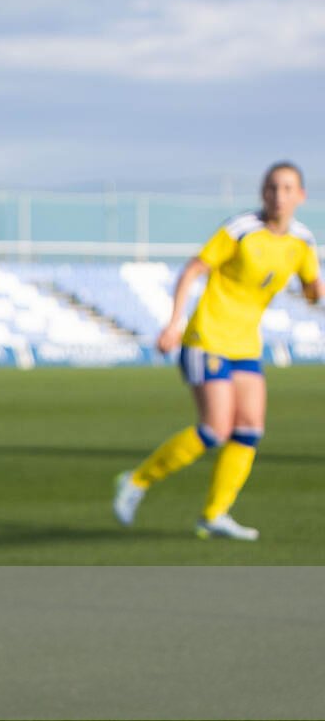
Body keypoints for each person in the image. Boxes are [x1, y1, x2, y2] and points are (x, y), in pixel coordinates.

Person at [115, 163, 316, 539]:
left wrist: (315, 291)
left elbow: (311, 289)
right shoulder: (241, 230)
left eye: (287, 188)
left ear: (301, 196)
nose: (279, 196)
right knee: (215, 428)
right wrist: (174, 323)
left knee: (249, 429)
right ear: (263, 193)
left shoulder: (302, 242)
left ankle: (214, 514)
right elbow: (193, 271)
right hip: (206, 338)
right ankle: (137, 480)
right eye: (272, 188)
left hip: (246, 345)